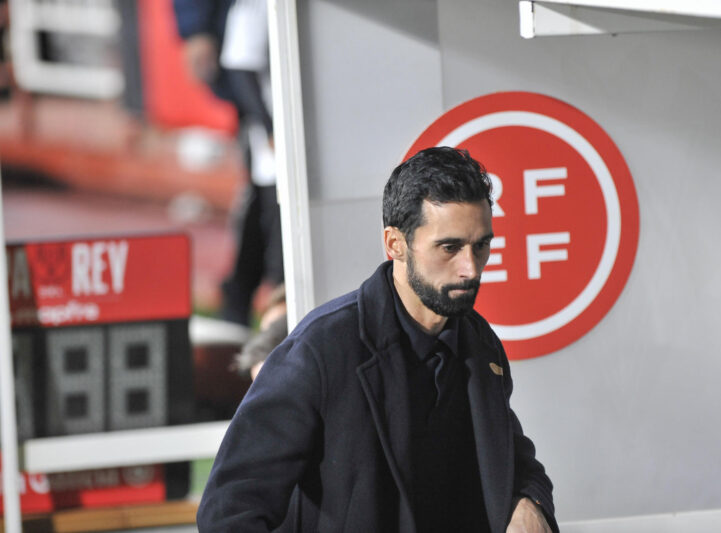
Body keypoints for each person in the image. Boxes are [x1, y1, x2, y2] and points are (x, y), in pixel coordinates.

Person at [197, 147, 558, 532]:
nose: (470, 268)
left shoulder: (478, 342)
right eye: (449, 248)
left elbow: (513, 460)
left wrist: (529, 503)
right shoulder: (322, 350)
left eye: (481, 246)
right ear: (395, 244)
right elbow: (230, 509)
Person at [173, 0, 284, 326]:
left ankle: (238, 299)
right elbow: (241, 64)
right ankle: (254, 308)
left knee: (263, 208)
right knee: (272, 214)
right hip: (275, 137)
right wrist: (269, 128)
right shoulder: (254, 10)